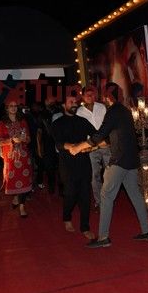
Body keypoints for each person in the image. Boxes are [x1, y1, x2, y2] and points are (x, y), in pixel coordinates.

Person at [70, 82, 148, 248]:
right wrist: (92, 147)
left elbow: (99, 135)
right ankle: (147, 231)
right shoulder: (124, 111)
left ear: (108, 96)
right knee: (135, 195)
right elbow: (113, 136)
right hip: (131, 159)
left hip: (119, 160)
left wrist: (79, 147)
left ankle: (103, 238)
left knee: (106, 195)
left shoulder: (113, 112)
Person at [52, 95, 96, 240]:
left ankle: (85, 227)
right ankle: (66, 217)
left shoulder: (83, 121)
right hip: (67, 165)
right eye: (70, 102)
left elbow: (96, 136)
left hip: (84, 163)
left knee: (85, 195)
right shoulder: (57, 123)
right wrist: (72, 146)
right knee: (70, 194)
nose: (74, 104)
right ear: (64, 106)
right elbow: (58, 143)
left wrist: (90, 147)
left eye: (75, 102)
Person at [77, 85, 112, 210]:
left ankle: (108, 198)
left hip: (105, 145)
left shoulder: (101, 107)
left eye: (92, 95)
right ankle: (99, 202)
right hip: (91, 147)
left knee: (110, 174)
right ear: (83, 96)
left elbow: (108, 124)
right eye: (87, 95)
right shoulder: (79, 112)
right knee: (94, 176)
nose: (90, 97)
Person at [0, 100, 32, 218]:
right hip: (10, 156)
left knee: (24, 178)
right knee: (13, 178)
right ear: (7, 108)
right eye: (11, 106)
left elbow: (29, 139)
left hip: (23, 155)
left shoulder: (22, 121)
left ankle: (22, 206)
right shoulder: (2, 123)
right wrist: (11, 140)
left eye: (15, 106)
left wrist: (23, 139)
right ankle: (16, 197)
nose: (13, 108)